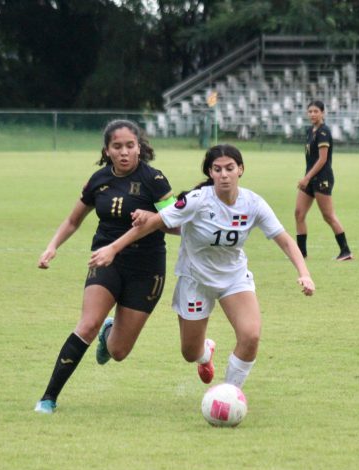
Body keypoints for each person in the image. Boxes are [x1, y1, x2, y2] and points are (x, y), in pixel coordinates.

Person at [90, 144, 315, 390]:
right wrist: (114, 248)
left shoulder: (253, 203)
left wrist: (304, 274)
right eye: (217, 169)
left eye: (230, 168)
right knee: (190, 352)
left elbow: (284, 240)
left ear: (241, 169)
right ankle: (204, 353)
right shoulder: (197, 201)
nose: (224, 174)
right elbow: (156, 223)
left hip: (234, 280)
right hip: (195, 281)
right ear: (210, 172)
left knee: (250, 336)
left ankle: (230, 393)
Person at [34, 119, 176, 414]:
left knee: (119, 352)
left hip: (147, 269)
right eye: (117, 146)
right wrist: (51, 247)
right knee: (87, 325)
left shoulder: (155, 180)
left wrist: (150, 219)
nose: (124, 152)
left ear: (140, 147)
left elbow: (176, 226)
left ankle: (109, 334)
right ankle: (48, 398)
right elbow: (73, 220)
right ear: (107, 150)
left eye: (130, 146)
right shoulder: (98, 180)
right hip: (106, 261)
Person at [295, 100, 353, 261]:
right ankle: (301, 253)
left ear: (323, 113)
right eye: (310, 111)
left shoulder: (323, 132)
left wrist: (306, 178)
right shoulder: (310, 131)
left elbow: (322, 159)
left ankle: (346, 251)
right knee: (299, 213)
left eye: (316, 111)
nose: (313, 114)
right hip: (310, 178)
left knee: (328, 215)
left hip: (322, 178)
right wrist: (307, 177)